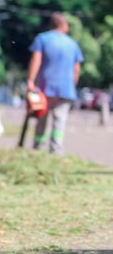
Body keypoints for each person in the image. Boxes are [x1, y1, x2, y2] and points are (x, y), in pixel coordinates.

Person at [27, 13, 83, 155]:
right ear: (63, 26)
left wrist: (30, 81)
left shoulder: (42, 39)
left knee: (42, 119)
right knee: (60, 119)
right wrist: (72, 85)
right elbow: (76, 69)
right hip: (66, 89)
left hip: (45, 88)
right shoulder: (73, 44)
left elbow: (36, 60)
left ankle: (38, 148)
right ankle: (56, 151)